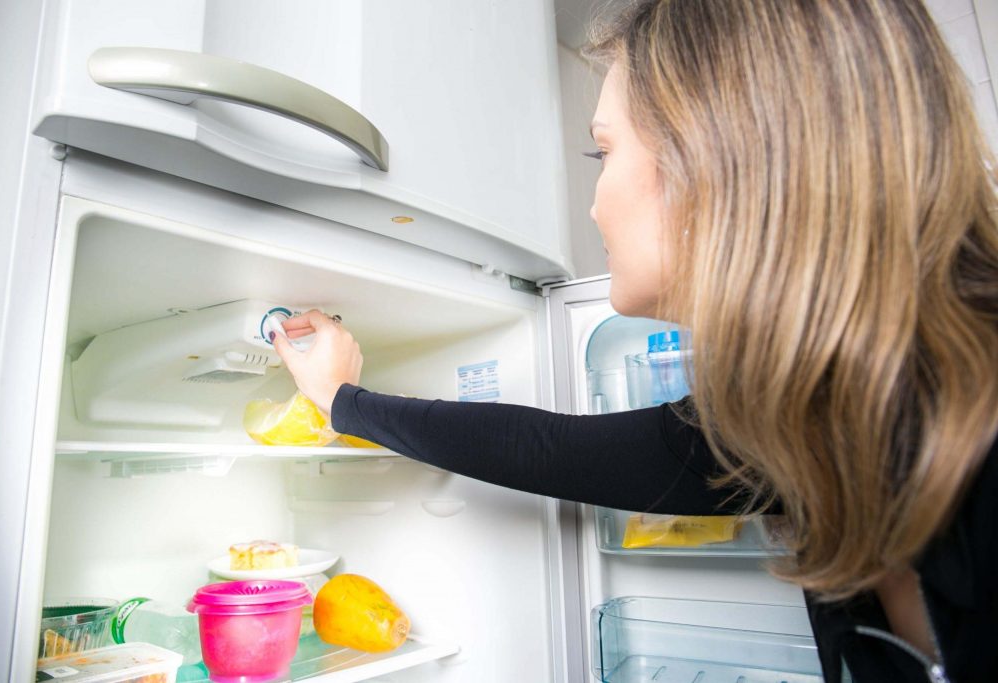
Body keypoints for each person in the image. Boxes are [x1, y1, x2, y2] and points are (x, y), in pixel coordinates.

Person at [271, 1, 998, 681]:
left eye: (602, 153)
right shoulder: (800, 416)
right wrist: (343, 400)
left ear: (721, 157)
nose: (592, 201)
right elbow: (547, 449)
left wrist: (346, 401)